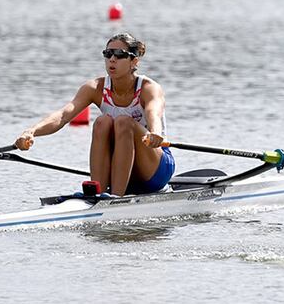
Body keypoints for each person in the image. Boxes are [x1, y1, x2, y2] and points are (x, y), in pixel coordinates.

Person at [14, 33, 175, 196]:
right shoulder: (95, 88)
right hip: (123, 167)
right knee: (102, 122)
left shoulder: (149, 88)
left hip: (155, 170)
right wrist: (31, 131)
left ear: (134, 61)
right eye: (108, 53)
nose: (112, 59)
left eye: (119, 55)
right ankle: (98, 192)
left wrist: (155, 133)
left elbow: (153, 113)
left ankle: (115, 198)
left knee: (123, 122)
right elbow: (63, 116)